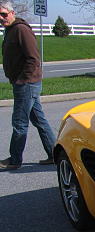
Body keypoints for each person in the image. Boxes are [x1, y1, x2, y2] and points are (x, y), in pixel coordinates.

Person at [0, 1, 56, 171]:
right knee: (39, 120)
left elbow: (33, 58)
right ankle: (54, 154)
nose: (1, 18)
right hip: (24, 83)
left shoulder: (21, 30)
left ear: (12, 12)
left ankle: (15, 160)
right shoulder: (10, 30)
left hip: (26, 84)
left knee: (19, 122)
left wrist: (22, 79)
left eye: (3, 14)